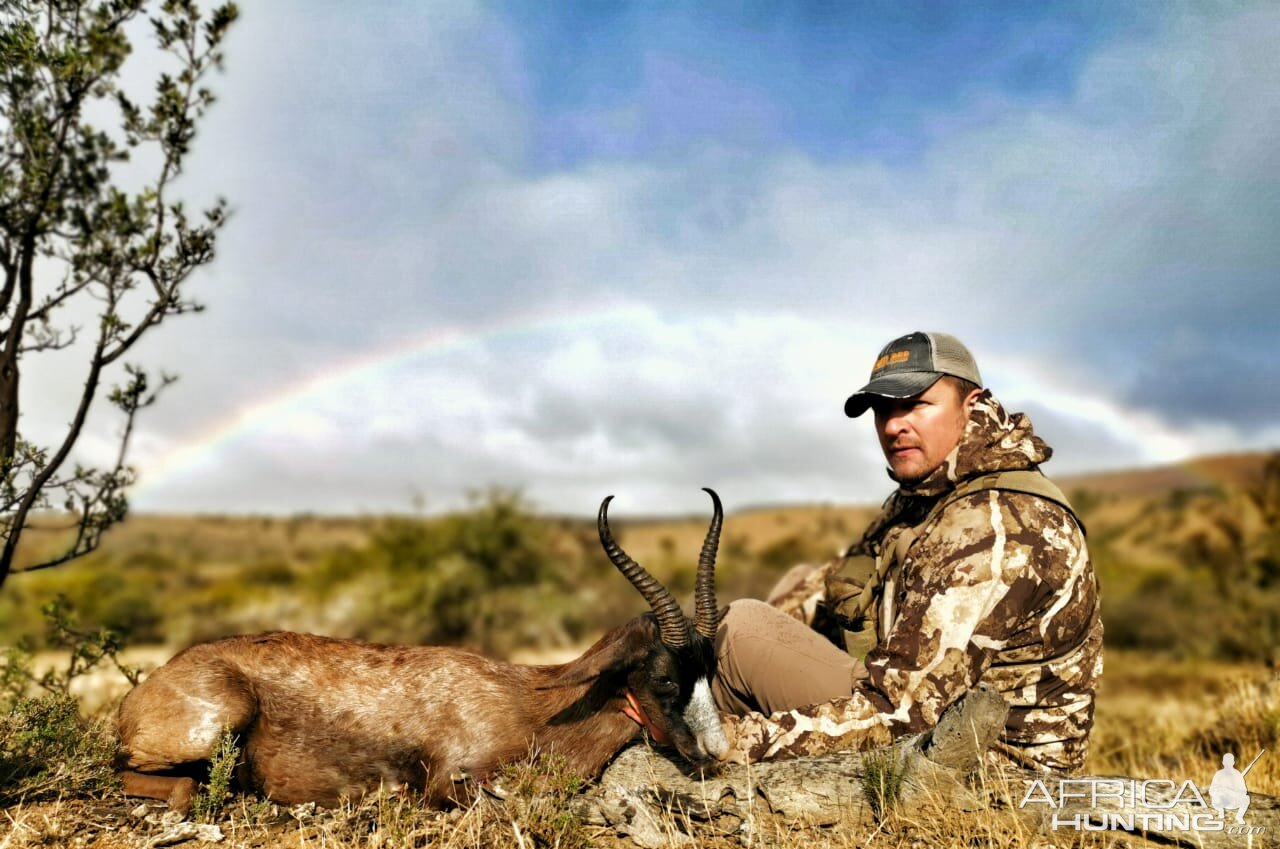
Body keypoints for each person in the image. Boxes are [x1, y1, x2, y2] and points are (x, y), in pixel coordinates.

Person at [712, 331, 1103, 772]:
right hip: (924, 711)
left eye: (915, 404)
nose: (893, 425)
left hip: (990, 768)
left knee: (740, 629)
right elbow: (846, 582)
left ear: (970, 405)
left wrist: (737, 739)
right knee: (793, 589)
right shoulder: (928, 492)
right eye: (883, 409)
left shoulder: (997, 525)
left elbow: (907, 712)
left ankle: (686, 744)